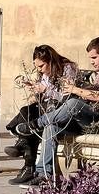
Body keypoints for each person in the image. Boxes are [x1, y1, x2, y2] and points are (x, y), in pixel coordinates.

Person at [16, 37, 99, 187]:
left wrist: (75, 90)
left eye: (94, 57)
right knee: (52, 126)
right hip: (89, 118)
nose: (91, 62)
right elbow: (91, 94)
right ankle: (43, 174)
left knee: (72, 104)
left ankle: (36, 124)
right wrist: (76, 87)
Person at [6, 45, 78, 186]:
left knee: (33, 127)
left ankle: (28, 166)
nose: (39, 69)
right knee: (26, 111)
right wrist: (35, 92)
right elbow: (42, 98)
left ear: (50, 61)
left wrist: (46, 90)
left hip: (60, 111)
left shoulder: (68, 69)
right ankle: (24, 148)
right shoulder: (44, 73)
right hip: (46, 108)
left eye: (42, 66)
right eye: (37, 66)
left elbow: (67, 96)